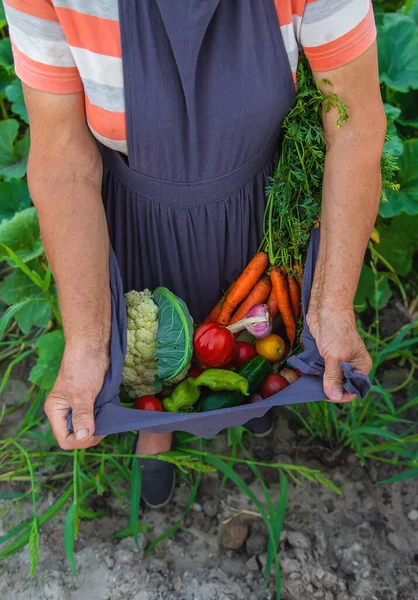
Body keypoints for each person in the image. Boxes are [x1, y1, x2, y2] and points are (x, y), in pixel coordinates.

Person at [5, 0, 383, 508]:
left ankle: (245, 402)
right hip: (138, 222)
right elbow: (63, 158)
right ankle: (155, 427)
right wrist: (88, 344)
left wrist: (333, 306)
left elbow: (355, 123)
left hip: (257, 210)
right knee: (161, 360)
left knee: (258, 335)